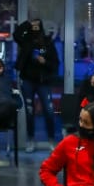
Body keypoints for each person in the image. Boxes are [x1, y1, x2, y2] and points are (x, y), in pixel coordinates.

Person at [14, 17, 59, 154]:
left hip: (43, 82)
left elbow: (55, 63)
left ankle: (51, 139)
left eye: (37, 25)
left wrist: (44, 61)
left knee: (49, 111)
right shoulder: (26, 40)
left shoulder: (47, 42)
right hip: (27, 80)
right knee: (29, 111)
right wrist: (27, 23)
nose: (35, 28)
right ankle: (30, 140)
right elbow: (16, 34)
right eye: (32, 26)